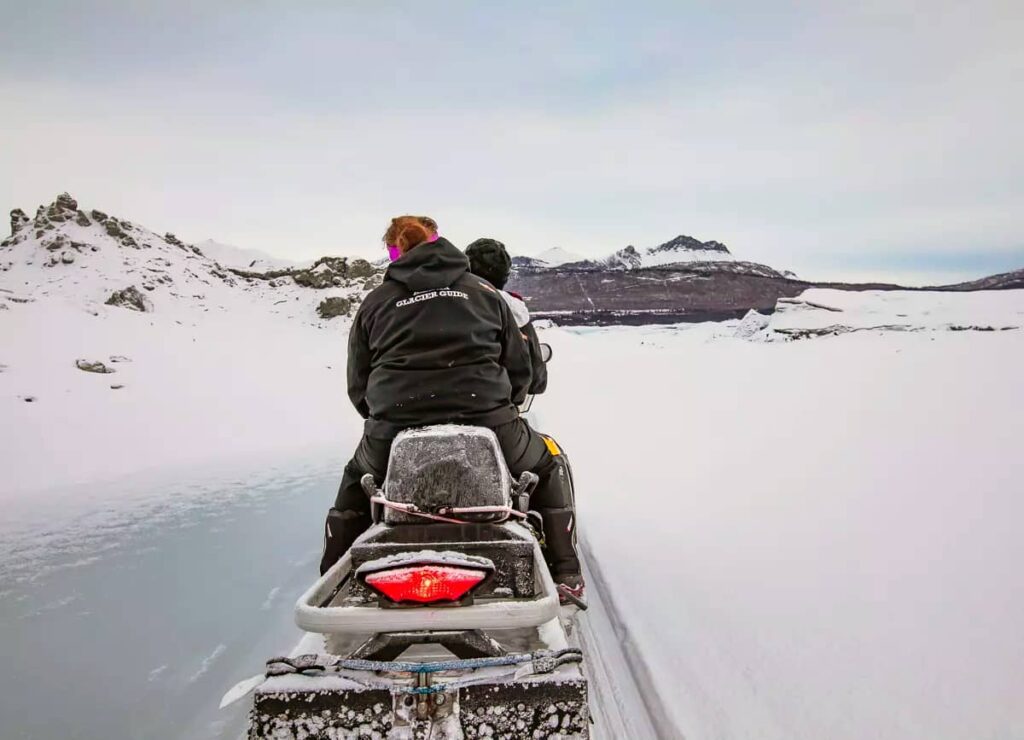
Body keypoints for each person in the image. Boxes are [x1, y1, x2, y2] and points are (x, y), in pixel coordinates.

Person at [321, 216, 583, 599]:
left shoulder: (375, 302)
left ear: (394, 252)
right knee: (547, 465)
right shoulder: (482, 292)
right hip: (488, 421)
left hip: (395, 427)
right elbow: (520, 370)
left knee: (355, 483)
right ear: (439, 241)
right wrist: (499, 404)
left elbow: (357, 385)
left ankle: (334, 582)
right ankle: (566, 573)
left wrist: (390, 416)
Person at [464, 238, 547, 395]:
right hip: (493, 407)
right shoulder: (513, 308)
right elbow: (536, 381)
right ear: (505, 276)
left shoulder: (444, 301)